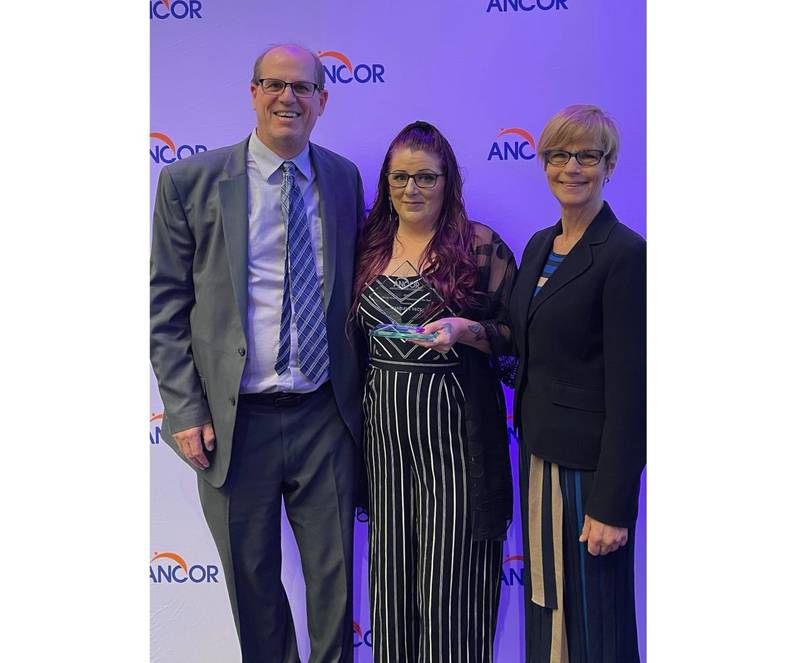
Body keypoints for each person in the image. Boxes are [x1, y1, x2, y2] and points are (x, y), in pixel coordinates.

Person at [150, 44, 365, 663]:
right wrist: (185, 409)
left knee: (335, 584)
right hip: (231, 422)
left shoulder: (344, 178)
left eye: (302, 88)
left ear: (323, 100)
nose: (287, 98)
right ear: (252, 93)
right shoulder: (190, 182)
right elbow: (165, 305)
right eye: (274, 85)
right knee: (252, 584)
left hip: (324, 414)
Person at [352, 120, 517, 663]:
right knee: (393, 596)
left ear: (449, 181)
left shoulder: (480, 246)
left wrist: (464, 330)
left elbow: (520, 344)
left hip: (459, 452)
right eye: (399, 177)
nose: (411, 189)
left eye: (426, 177)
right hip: (387, 454)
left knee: (455, 599)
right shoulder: (367, 247)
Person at [509, 105, 645, 662]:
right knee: (547, 608)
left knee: (595, 621)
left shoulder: (625, 254)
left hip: (589, 474)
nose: (571, 167)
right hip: (538, 455)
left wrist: (613, 505)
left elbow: (634, 393)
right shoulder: (541, 243)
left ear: (608, 166)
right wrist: (467, 332)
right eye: (559, 155)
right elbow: (527, 341)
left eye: (586, 156)